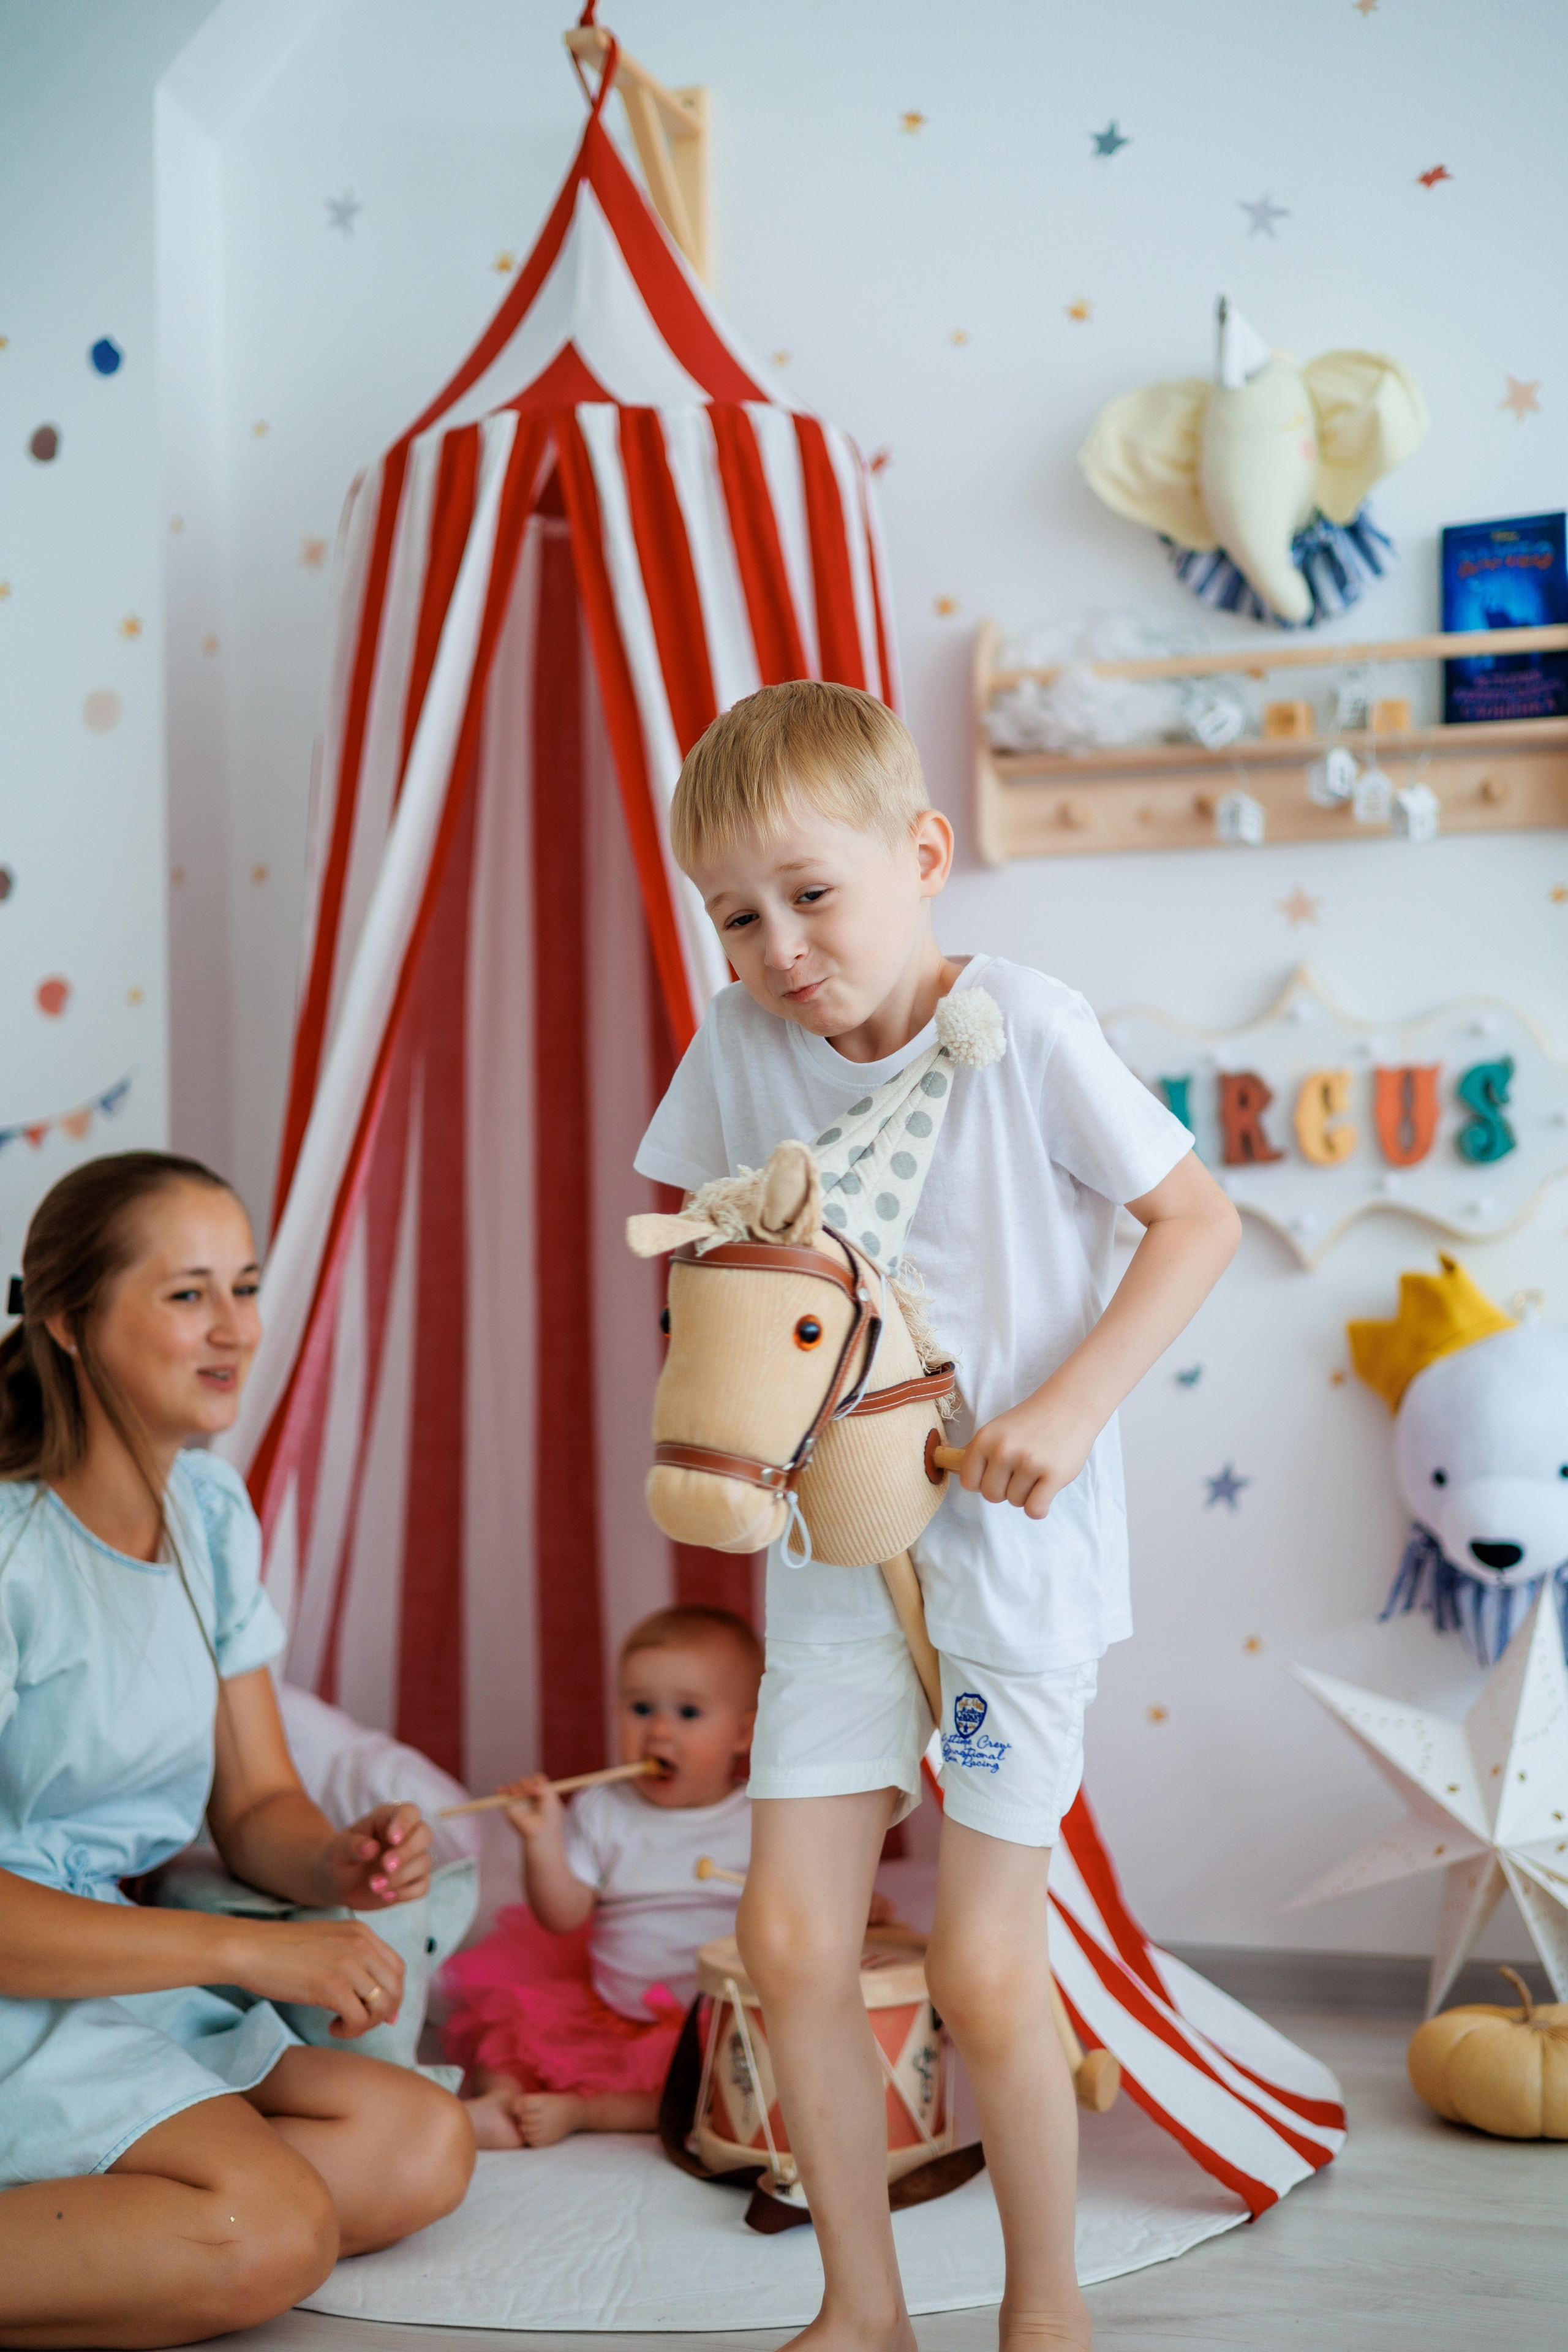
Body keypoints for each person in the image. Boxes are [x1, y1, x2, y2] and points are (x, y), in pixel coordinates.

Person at [633, 682, 1241, 2352]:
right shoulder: (742, 1045)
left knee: (984, 1961)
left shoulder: (1030, 1026)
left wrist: (1064, 1411)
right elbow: (703, 1256)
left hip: (1013, 1559)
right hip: (839, 1560)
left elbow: (1195, 1222)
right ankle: (862, 2307)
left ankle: (1045, 2312)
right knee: (789, 1933)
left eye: (811, 896)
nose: (778, 948)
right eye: (735, 915)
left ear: (923, 853)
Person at [0, 1153, 473, 2351]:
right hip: (26, 1976)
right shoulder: (12, 1549)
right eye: (186, 1294)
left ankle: (87, 2229)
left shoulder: (206, 1514)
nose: (234, 1330)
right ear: (68, 1321)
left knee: (417, 2143)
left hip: (113, 1961)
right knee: (264, 2233)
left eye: (246, 1288)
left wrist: (338, 1863)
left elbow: (257, 1798)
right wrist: (253, 1960)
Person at [447, 1605, 759, 2149]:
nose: (659, 1730)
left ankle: (586, 2111)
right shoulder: (603, 1809)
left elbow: (802, 1901)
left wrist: (855, 1904)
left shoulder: (760, 1818)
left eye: (688, 1713)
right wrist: (542, 1839)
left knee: (714, 2089)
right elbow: (562, 1916)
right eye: (641, 1708)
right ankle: (501, 2098)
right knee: (515, 2032)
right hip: (609, 2007)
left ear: (743, 1733)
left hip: (707, 2021)